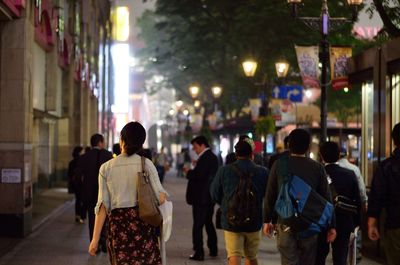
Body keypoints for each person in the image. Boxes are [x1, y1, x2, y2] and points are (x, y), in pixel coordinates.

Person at [88, 121, 168, 264]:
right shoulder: (147, 164)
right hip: (144, 225)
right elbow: (161, 198)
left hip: (118, 228)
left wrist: (95, 239)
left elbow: (102, 206)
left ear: (122, 140)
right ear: (141, 143)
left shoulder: (106, 168)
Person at [263, 129, 336, 265]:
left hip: (285, 222)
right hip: (310, 224)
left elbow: (270, 194)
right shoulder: (317, 167)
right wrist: (332, 225)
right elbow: (326, 198)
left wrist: (267, 220)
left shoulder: (279, 165)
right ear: (308, 146)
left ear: (289, 144)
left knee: (288, 261)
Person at [210, 138, 269, 265]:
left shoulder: (224, 171)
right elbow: (268, 195)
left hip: (231, 219)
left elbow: (214, 193)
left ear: (236, 154)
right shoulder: (263, 172)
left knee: (234, 253)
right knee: (251, 255)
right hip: (254, 220)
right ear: (252, 155)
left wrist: (227, 204)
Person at [315, 141, 361, 265]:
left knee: (319, 257)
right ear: (339, 154)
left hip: (321, 222)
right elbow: (357, 200)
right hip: (344, 220)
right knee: (340, 258)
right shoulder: (349, 175)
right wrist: (356, 222)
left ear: (321, 155)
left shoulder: (317, 174)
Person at [367, 122, 400, 265]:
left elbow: (377, 195)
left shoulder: (386, 166)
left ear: (393, 141)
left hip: (395, 224)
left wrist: (372, 222)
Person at [184, 135, 219, 261]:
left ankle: (199, 252)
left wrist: (188, 172)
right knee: (208, 223)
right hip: (208, 197)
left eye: (195, 147)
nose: (195, 150)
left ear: (202, 145)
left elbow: (200, 175)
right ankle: (213, 248)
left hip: (201, 197)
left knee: (198, 225)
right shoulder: (211, 157)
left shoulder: (206, 157)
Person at [76, 133, 113, 251]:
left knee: (92, 218)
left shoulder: (84, 157)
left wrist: (81, 190)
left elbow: (77, 176)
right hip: (106, 194)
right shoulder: (109, 156)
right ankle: (104, 243)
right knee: (106, 218)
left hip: (89, 194)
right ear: (100, 143)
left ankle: (94, 244)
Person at [68, 146, 85, 223]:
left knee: (78, 200)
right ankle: (82, 216)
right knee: (82, 200)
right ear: (79, 152)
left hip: (75, 184)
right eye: (82, 151)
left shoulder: (71, 162)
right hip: (82, 183)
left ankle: (77, 215)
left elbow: (69, 174)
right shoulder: (82, 161)